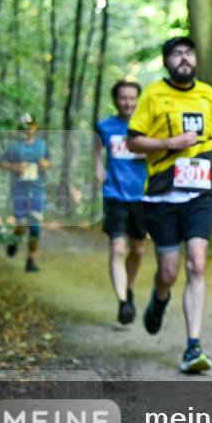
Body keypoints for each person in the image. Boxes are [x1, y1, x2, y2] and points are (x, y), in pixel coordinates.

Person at [127, 36, 212, 373]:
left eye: (189, 52)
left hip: (201, 189)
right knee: (168, 272)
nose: (184, 58)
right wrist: (169, 143)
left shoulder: (207, 93)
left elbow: (204, 137)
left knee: (197, 263)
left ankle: (193, 346)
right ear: (167, 61)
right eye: (177, 54)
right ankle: (160, 298)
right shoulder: (153, 94)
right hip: (163, 192)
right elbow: (133, 142)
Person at [94, 80, 148, 324]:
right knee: (118, 248)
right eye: (123, 98)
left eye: (132, 98)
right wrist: (98, 167)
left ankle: (128, 287)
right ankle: (124, 302)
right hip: (114, 194)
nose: (128, 103)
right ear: (116, 101)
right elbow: (96, 147)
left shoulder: (147, 125)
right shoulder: (105, 126)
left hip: (142, 195)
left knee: (138, 250)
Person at [0, 114, 51, 272]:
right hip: (19, 190)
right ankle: (14, 240)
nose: (28, 128)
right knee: (21, 225)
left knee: (35, 227)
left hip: (37, 190)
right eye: (25, 125)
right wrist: (15, 167)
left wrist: (45, 164)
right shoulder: (14, 146)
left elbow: (50, 161)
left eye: (30, 125)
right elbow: (1, 162)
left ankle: (30, 260)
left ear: (35, 126)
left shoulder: (41, 145)